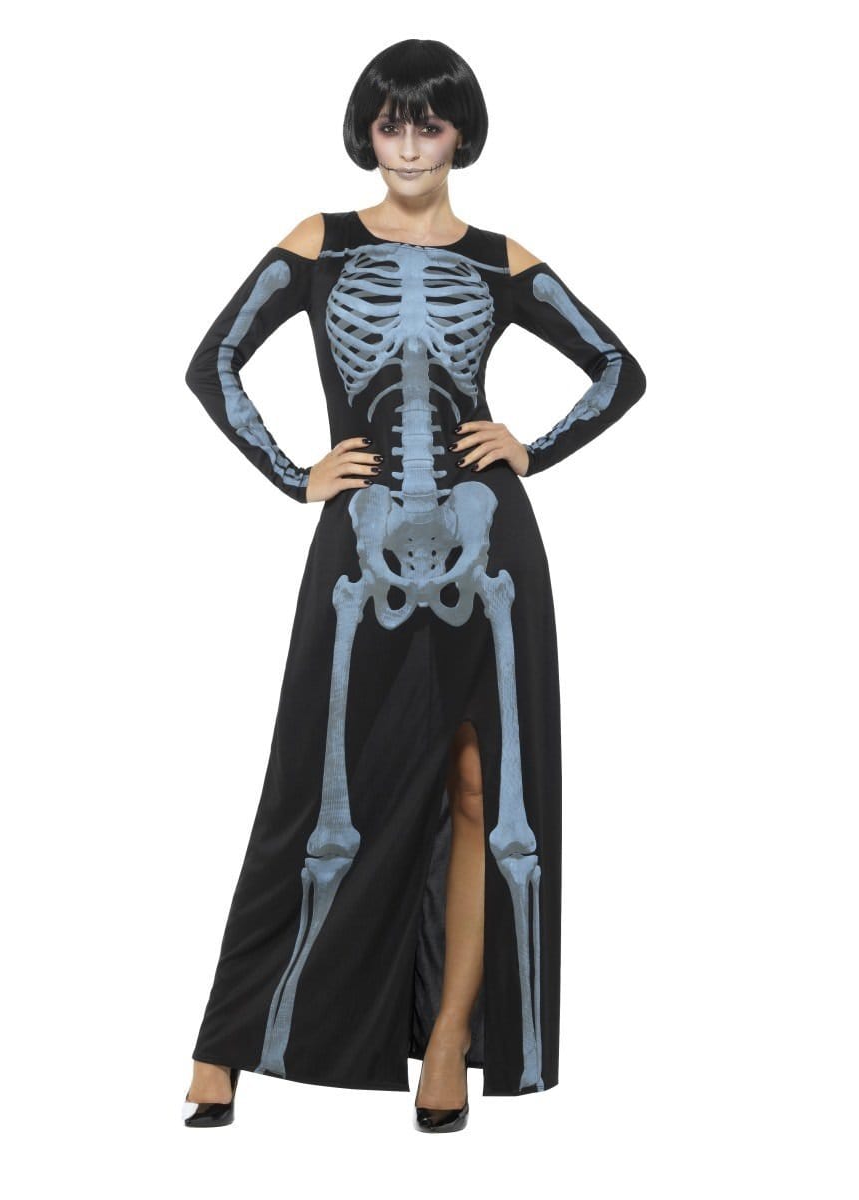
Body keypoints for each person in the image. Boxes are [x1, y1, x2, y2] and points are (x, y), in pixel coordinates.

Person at [181, 38, 646, 1134]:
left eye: (427, 124)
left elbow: (619, 369)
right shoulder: (321, 242)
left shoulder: (498, 258)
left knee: (485, 794)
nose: (407, 145)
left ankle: (448, 1044)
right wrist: (295, 473)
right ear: (368, 133)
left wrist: (531, 449)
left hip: (491, 551)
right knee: (309, 791)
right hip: (362, 545)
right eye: (390, 123)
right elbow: (213, 363)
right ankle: (226, 1043)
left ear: (458, 136)